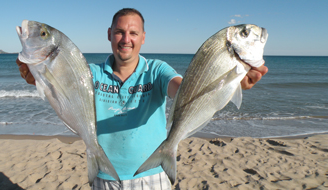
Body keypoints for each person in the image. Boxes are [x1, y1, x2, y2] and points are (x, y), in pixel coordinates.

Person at [16, 8, 268, 190]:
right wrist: (39, 77)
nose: (126, 39)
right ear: (109, 34)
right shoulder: (89, 74)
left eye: (133, 33)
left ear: (143, 37)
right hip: (105, 177)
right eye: (119, 32)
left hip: (153, 176)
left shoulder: (157, 70)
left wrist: (229, 80)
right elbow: (64, 87)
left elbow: (181, 90)